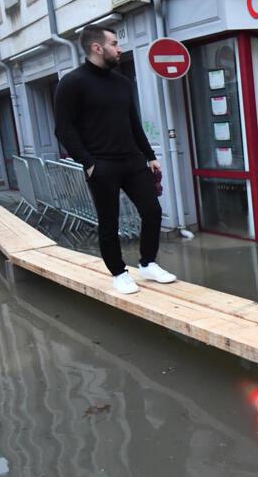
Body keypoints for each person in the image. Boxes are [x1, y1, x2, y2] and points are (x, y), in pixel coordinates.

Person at [53, 25, 176, 294]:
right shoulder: (72, 83)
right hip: (102, 164)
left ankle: (147, 263)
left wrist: (150, 156)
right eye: (114, 44)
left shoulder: (122, 83)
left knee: (153, 211)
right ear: (97, 48)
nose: (120, 49)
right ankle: (119, 273)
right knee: (109, 221)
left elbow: (134, 123)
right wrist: (88, 163)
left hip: (132, 161)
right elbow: (63, 129)